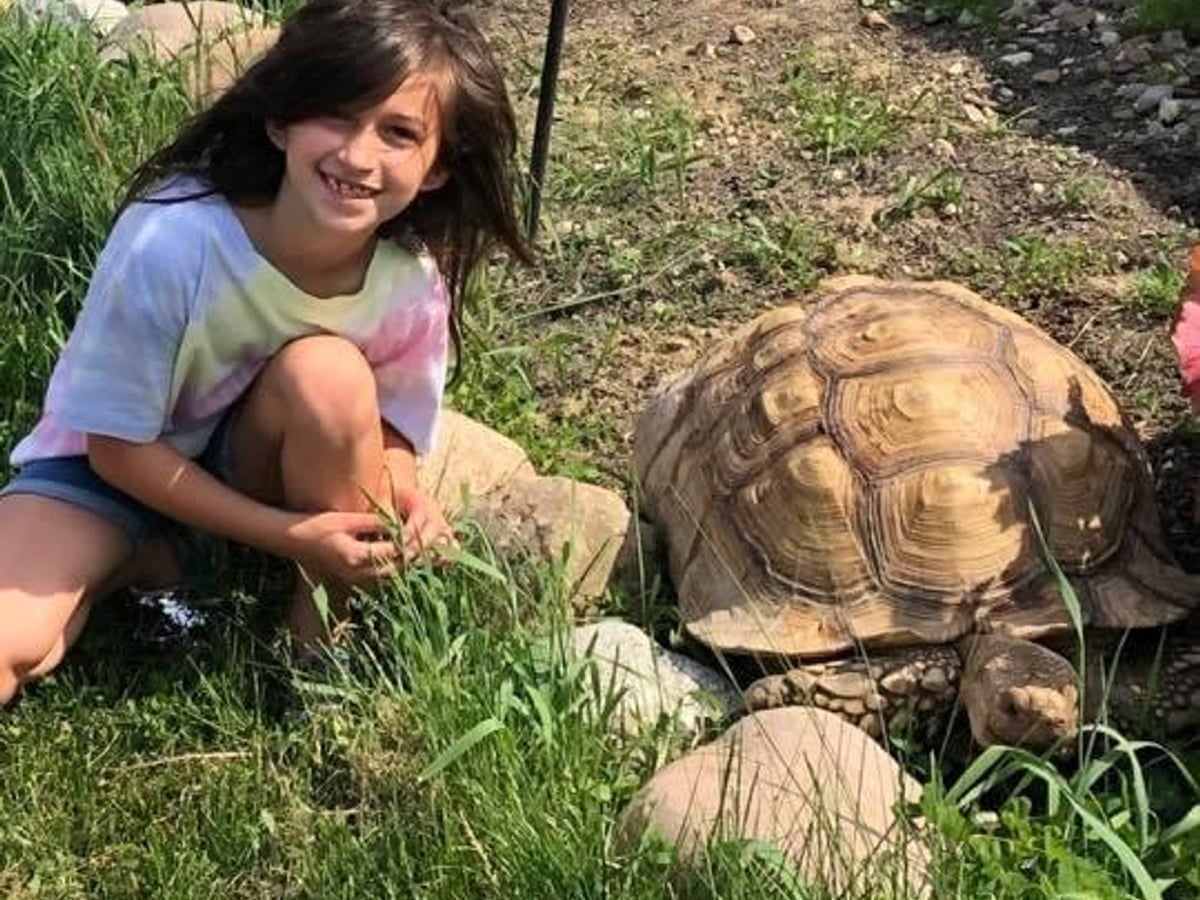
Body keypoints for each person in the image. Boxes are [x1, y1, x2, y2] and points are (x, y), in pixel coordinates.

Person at [0, 0, 531, 705]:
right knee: (16, 644)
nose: (357, 155)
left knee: (329, 375)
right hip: (105, 472)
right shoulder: (173, 240)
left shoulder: (408, 282)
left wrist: (403, 496)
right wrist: (290, 534)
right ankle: (147, 558)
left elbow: (392, 431)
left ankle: (319, 657)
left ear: (436, 169)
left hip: (252, 470)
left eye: (398, 132)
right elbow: (115, 451)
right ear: (280, 121)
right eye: (335, 115)